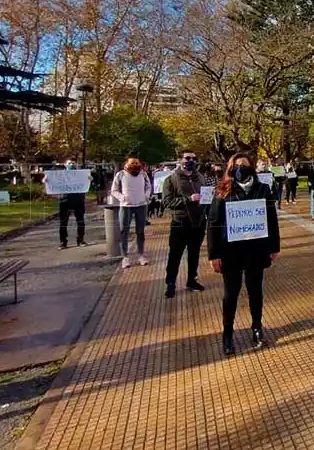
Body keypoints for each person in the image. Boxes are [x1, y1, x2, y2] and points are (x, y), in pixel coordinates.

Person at [208, 153, 280, 355]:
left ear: (252, 168)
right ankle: (228, 333)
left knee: (255, 291)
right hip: (230, 252)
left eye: (245, 166)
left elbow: (272, 220)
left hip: (255, 250)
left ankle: (257, 328)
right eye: (238, 166)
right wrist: (213, 254)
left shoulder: (262, 189)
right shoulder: (222, 190)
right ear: (231, 169)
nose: (241, 169)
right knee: (230, 294)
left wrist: (274, 247)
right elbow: (213, 224)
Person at [162, 150, 207, 299]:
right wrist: (188, 199)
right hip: (180, 222)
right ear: (180, 160)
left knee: (194, 253)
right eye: (188, 158)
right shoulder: (171, 179)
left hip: (199, 222)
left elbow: (206, 196)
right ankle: (171, 283)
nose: (191, 161)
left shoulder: (200, 177)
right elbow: (167, 202)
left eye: (194, 158)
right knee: (175, 254)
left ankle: (192, 280)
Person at [111, 156, 153, 268]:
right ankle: (125, 257)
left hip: (141, 205)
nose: (135, 165)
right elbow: (114, 190)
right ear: (127, 164)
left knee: (140, 231)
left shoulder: (143, 174)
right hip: (126, 206)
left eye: (137, 163)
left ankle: (141, 255)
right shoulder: (121, 174)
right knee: (124, 231)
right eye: (132, 163)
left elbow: (149, 186)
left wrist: (146, 196)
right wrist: (122, 198)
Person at [44, 158, 87, 250]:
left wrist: (89, 179)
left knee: (80, 221)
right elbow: (51, 182)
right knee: (63, 222)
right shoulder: (59, 175)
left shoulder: (80, 174)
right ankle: (63, 242)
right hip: (64, 200)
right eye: (69, 163)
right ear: (64, 164)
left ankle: (81, 239)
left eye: (73, 162)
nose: (71, 164)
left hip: (78, 199)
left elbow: (86, 182)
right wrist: (46, 181)